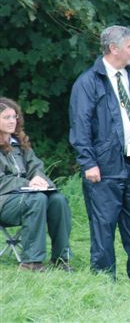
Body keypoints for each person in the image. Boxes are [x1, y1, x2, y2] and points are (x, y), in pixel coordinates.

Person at [69, 25, 130, 285]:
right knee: (103, 229)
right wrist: (88, 163)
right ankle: (103, 284)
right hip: (103, 168)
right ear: (114, 48)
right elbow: (80, 126)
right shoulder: (87, 83)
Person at [0, 97, 73, 272]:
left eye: (14, 117)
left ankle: (61, 259)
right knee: (36, 199)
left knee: (58, 200)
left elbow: (37, 168)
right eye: (6, 117)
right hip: (3, 202)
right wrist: (28, 183)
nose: (12, 121)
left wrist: (40, 180)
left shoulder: (20, 144)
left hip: (25, 196)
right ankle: (32, 262)